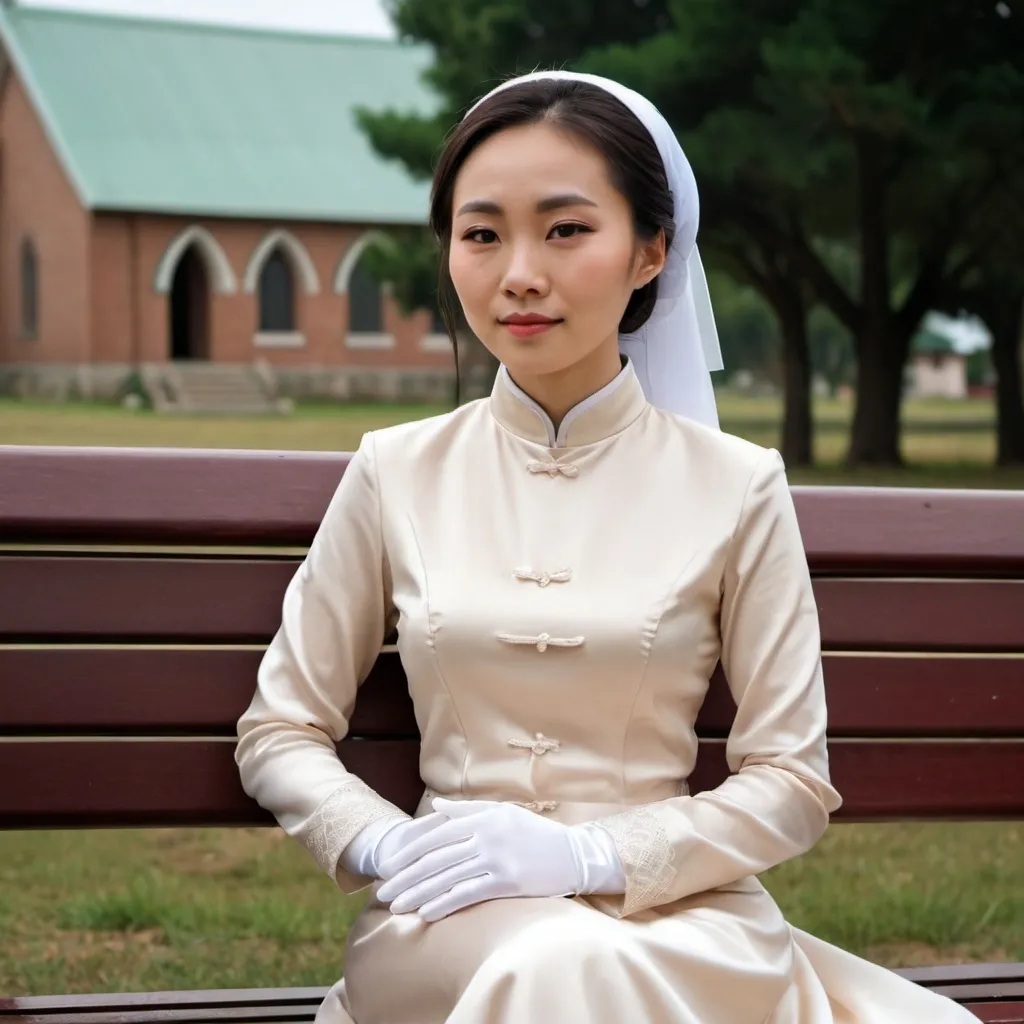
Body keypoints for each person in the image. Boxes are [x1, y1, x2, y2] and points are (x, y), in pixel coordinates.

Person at [235, 71, 977, 1023]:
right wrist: (387, 845)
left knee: (585, 970)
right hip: (450, 916)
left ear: (651, 252)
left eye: (567, 229)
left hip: (680, 913)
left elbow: (791, 782)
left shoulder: (738, 485)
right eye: (482, 233)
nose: (520, 274)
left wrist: (592, 856)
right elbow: (278, 729)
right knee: (557, 969)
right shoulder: (395, 470)